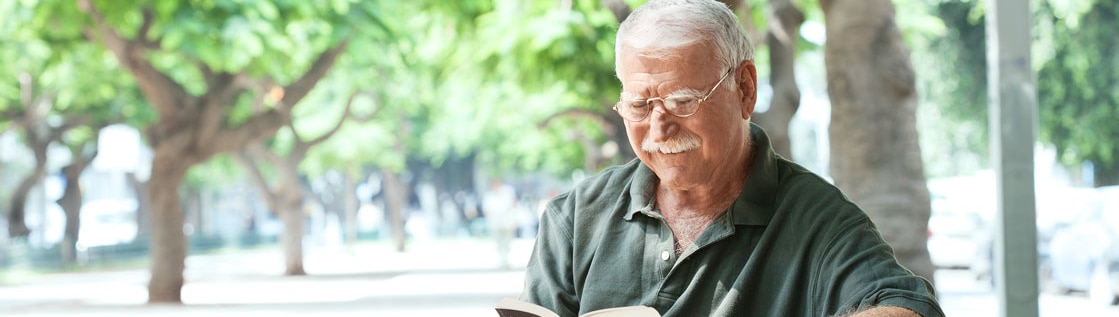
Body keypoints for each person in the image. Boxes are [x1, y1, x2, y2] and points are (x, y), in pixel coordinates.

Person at [517, 1, 945, 316]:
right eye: (639, 105)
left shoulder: (815, 219)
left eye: (682, 101)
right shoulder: (576, 217)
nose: (659, 129)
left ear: (745, 89)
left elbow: (907, 306)